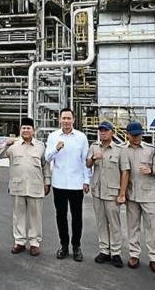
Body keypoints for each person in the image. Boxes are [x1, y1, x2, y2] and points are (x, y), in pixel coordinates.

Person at [0, 117, 51, 256]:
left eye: (28, 128)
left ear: (34, 130)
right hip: (18, 185)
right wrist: (6, 144)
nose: (26, 130)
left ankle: (34, 243)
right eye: (23, 128)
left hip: (35, 185)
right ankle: (19, 241)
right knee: (18, 215)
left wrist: (47, 181)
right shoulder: (13, 146)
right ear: (20, 130)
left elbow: (45, 165)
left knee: (35, 216)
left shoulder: (40, 146)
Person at [45, 107, 91, 262]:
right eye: (63, 118)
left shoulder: (81, 137)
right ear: (59, 120)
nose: (66, 121)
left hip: (76, 184)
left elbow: (85, 161)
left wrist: (86, 180)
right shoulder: (53, 136)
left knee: (77, 217)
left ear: (73, 120)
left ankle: (76, 246)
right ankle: (63, 245)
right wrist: (56, 149)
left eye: (68, 118)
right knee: (61, 216)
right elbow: (47, 158)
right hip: (59, 183)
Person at [119, 121, 155, 273]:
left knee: (152, 228)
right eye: (133, 135)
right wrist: (122, 193)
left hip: (149, 195)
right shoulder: (123, 150)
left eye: (139, 135)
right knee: (133, 226)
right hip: (132, 195)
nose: (137, 138)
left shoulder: (150, 150)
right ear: (127, 135)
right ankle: (134, 255)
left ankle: (154, 258)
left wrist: (151, 170)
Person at [86, 121, 125, 268]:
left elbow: (125, 172)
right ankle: (104, 250)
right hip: (97, 191)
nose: (103, 133)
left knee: (114, 224)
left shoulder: (119, 150)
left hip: (112, 192)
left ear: (112, 132)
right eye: (101, 130)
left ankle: (116, 252)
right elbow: (87, 165)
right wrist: (93, 158)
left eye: (106, 130)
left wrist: (122, 193)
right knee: (101, 222)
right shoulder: (94, 147)